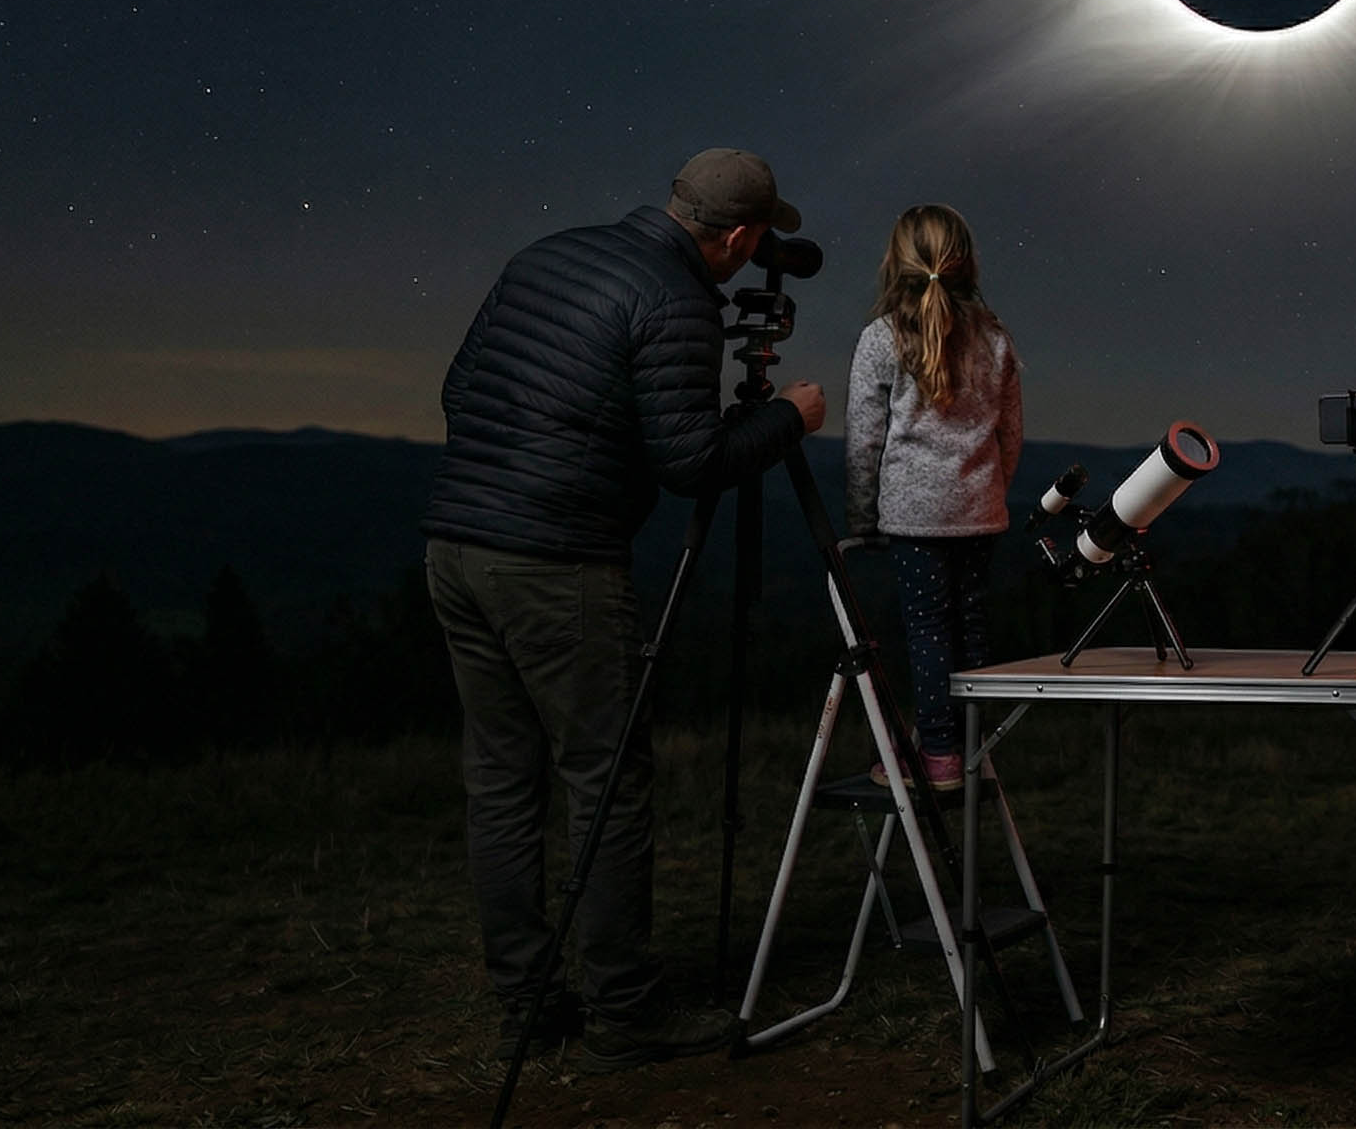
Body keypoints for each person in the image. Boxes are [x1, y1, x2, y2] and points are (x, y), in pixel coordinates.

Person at [421, 148, 828, 1071]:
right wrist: (787, 419)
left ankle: (528, 1005)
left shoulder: (547, 256)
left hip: (454, 547)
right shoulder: (680, 300)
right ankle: (624, 1015)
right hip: (557, 564)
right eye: (756, 239)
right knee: (606, 784)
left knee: (501, 783)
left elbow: (457, 390)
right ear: (736, 236)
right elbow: (691, 463)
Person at [844, 204, 1023, 792]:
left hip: (915, 519)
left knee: (926, 631)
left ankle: (939, 756)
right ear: (966, 260)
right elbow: (1010, 435)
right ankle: (970, 746)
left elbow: (864, 441)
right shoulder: (995, 338)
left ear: (896, 261)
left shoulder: (882, 338)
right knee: (970, 627)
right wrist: (991, 490)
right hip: (979, 510)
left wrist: (862, 515)